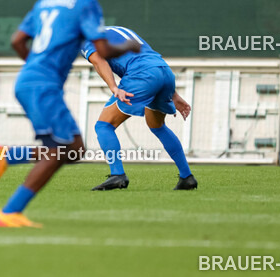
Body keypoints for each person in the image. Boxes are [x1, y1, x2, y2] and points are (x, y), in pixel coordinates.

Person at [0, 0, 141, 228]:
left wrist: (34, 65)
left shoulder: (45, 2)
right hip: (44, 84)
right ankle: (9, 210)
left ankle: (6, 158)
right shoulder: (86, 2)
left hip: (27, 80)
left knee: (73, 148)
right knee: (63, 150)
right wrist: (128, 46)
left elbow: (17, 40)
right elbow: (102, 49)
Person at [82, 25, 197, 190]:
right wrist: (174, 94)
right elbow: (147, 58)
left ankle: (117, 175)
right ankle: (187, 177)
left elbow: (99, 61)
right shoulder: (118, 29)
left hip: (141, 75)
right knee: (157, 126)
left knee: (104, 125)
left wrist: (114, 88)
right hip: (164, 71)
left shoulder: (85, 37)